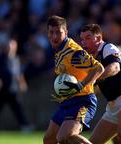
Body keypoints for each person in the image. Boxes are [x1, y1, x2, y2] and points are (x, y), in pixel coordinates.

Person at [80, 24, 121, 144]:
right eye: (82, 39)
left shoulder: (108, 47)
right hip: (112, 106)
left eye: (88, 38)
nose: (84, 43)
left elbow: (115, 68)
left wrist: (95, 79)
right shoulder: (89, 59)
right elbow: (95, 87)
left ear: (99, 38)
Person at [43, 15, 104, 144]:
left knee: (65, 136)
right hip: (68, 101)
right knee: (49, 140)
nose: (54, 36)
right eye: (51, 32)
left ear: (66, 32)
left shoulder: (73, 52)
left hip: (83, 101)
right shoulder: (59, 50)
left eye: (58, 32)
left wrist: (81, 85)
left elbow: (99, 69)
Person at [0, 39, 32, 132]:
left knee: (18, 110)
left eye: (12, 46)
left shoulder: (16, 59)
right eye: (8, 46)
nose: (10, 48)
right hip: (2, 90)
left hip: (13, 89)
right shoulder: (0, 59)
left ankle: (25, 127)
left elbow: (19, 74)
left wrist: (22, 84)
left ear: (15, 47)